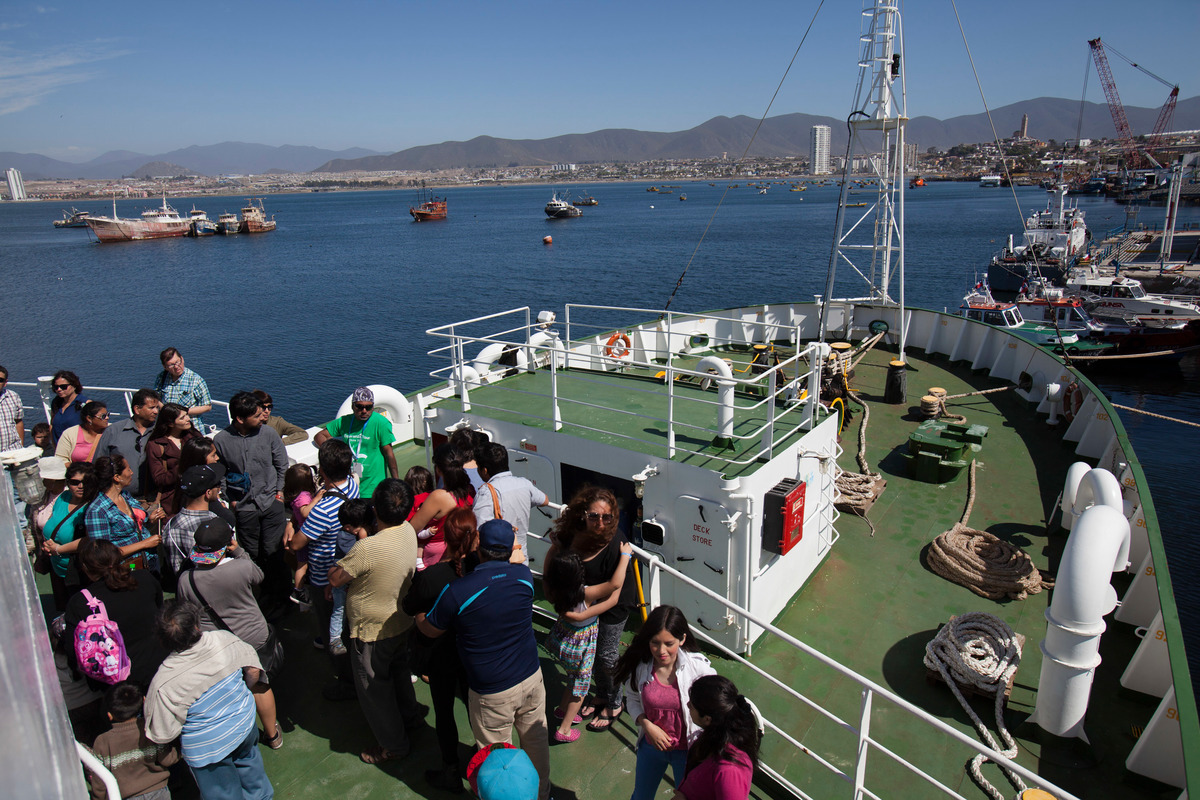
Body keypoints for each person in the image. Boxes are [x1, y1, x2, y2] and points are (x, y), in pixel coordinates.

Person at [417, 518, 551, 800]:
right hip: (531, 677)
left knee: (498, 761)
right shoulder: (525, 577)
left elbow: (430, 629)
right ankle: (541, 794)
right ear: (510, 549)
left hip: (492, 692)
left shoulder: (459, 591)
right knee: (536, 741)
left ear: (479, 547)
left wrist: (419, 617)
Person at [328, 479, 425, 765]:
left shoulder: (367, 548)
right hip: (401, 621)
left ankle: (393, 746)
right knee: (400, 676)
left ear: (375, 509)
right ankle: (411, 718)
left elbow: (336, 579)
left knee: (375, 691)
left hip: (371, 632)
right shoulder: (408, 530)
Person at [144, 601, 272, 800]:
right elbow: (253, 670)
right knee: (254, 777)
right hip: (244, 726)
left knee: (224, 794)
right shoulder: (223, 639)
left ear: (163, 640)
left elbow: (163, 732)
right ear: (196, 626)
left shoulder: (163, 681)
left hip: (208, 751)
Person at [174, 518, 283, 751]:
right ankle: (272, 736)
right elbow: (259, 577)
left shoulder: (186, 580)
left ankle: (236, 736)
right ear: (227, 544)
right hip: (253, 638)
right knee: (260, 685)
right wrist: (240, 551)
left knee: (227, 691)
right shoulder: (241, 567)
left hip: (218, 646)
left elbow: (187, 610)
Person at [547, 486, 636, 732]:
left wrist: (581, 614)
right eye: (594, 516)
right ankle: (602, 694)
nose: (600, 523)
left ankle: (615, 703)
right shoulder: (572, 533)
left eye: (607, 517)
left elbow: (615, 589)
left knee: (606, 654)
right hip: (587, 600)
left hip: (612, 602)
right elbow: (558, 563)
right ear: (583, 513)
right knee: (593, 653)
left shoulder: (616, 542)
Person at [402, 506, 475, 792]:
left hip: (439, 656)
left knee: (444, 713)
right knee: (476, 708)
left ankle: (450, 771)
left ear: (446, 536)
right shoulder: (477, 570)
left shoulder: (431, 577)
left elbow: (409, 606)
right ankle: (485, 759)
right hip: (470, 652)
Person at [615, 606, 716, 800]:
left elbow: (717, 709)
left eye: (669, 644)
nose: (661, 651)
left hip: (688, 753)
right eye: (655, 643)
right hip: (650, 747)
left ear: (682, 639)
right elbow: (633, 697)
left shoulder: (700, 670)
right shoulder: (641, 667)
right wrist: (646, 724)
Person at [543, 545, 633, 743]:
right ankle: (564, 729)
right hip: (580, 646)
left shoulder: (552, 589)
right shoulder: (584, 594)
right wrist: (625, 556)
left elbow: (547, 571)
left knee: (572, 677)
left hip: (563, 640)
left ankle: (562, 709)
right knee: (580, 689)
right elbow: (614, 586)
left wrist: (554, 547)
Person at [214, 391, 289, 606]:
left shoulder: (269, 434)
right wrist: (231, 499)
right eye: (256, 415)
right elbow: (222, 472)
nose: (263, 416)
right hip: (245, 507)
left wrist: (279, 493)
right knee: (252, 553)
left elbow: (282, 464)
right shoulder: (221, 440)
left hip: (271, 502)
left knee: (273, 551)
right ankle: (263, 592)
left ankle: (281, 596)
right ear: (240, 418)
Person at [63, 538, 168, 689]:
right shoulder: (145, 578)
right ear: (119, 557)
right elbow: (160, 610)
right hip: (160, 666)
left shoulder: (80, 602)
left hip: (118, 683)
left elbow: (73, 651)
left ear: (85, 568)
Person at [289, 439, 358, 662]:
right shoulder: (352, 485)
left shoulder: (323, 510)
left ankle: (339, 664)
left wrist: (292, 526)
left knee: (329, 621)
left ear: (322, 471)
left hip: (324, 576)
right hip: (347, 567)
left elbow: (296, 544)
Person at [674, 675, 761, 800]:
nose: (687, 705)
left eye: (692, 705)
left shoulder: (729, 770)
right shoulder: (711, 740)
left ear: (707, 719)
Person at [86, 682, 179, 800]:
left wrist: (98, 797)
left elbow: (100, 779)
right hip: (158, 791)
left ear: (109, 715)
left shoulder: (102, 741)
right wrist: (179, 749)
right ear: (144, 701)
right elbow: (167, 759)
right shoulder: (150, 727)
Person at [313, 387, 397, 499]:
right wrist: (332, 452)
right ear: (353, 406)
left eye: (368, 407)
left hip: (373, 488)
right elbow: (319, 436)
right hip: (350, 486)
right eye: (359, 407)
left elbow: (389, 454)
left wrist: (396, 482)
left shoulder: (381, 423)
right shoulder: (344, 422)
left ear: (373, 407)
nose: (364, 411)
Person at [83, 455, 165, 571]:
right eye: (128, 469)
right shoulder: (97, 511)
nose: (131, 473)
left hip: (149, 561)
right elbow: (104, 554)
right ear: (117, 477)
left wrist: (150, 520)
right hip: (125, 570)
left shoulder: (125, 496)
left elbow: (133, 528)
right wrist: (144, 544)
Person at [472, 442, 550, 559]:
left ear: (485, 470)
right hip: (520, 557)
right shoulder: (524, 484)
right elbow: (545, 500)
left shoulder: (486, 493)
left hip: (498, 560)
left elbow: (477, 530)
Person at [41, 461, 97, 609]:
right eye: (75, 482)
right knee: (64, 610)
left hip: (79, 573)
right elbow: (53, 522)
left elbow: (90, 539)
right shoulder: (63, 497)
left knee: (81, 612)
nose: (81, 486)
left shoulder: (93, 506)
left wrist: (58, 549)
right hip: (57, 568)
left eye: (86, 482)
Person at [409, 446, 475, 569]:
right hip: (465, 547)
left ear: (438, 470)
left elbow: (412, 528)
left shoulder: (438, 497)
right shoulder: (470, 490)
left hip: (438, 554)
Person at [327, 499, 376, 656]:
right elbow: (358, 555)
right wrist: (363, 537)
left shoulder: (355, 531)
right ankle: (335, 638)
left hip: (353, 580)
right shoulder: (344, 536)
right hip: (342, 580)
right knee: (339, 609)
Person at [94, 388, 161, 501]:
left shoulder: (161, 431)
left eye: (157, 407)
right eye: (151, 408)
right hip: (119, 498)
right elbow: (99, 464)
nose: (156, 411)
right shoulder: (113, 431)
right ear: (137, 409)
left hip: (153, 499)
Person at [162, 463, 224, 577]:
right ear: (208, 493)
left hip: (183, 583)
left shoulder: (170, 526)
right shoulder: (217, 524)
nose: (219, 488)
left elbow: (174, 566)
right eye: (217, 485)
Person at [146, 402, 202, 517]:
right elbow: (159, 478)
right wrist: (182, 467)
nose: (188, 419)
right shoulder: (156, 445)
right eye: (182, 417)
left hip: (197, 494)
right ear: (170, 423)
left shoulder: (194, 437)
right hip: (173, 501)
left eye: (187, 415)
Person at [282, 463, 318, 605]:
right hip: (304, 534)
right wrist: (316, 499)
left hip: (301, 530)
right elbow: (304, 512)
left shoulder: (297, 495)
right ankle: (299, 590)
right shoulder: (303, 496)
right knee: (302, 565)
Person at [152, 348, 212, 431]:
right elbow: (156, 397)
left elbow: (207, 406)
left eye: (178, 362)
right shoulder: (161, 377)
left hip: (190, 429)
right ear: (165, 367)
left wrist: (184, 412)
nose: (176, 367)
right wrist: (166, 411)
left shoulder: (195, 380)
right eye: (171, 365)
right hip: (169, 428)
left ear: (182, 359)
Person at [55, 400, 110, 465]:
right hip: (79, 470)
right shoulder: (70, 433)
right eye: (103, 416)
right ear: (89, 418)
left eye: (108, 415)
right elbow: (61, 459)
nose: (107, 418)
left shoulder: (112, 431)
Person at [49, 370, 89, 443]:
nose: (59, 389)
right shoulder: (56, 403)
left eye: (63, 386)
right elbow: (52, 424)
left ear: (74, 386)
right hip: (59, 447)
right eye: (56, 387)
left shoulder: (85, 404)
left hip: (77, 447)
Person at [0, 365, 24, 451]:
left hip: (13, 450)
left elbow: (18, 422)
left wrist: (21, 447)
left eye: (0, 380)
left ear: (5, 382)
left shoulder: (13, 396)